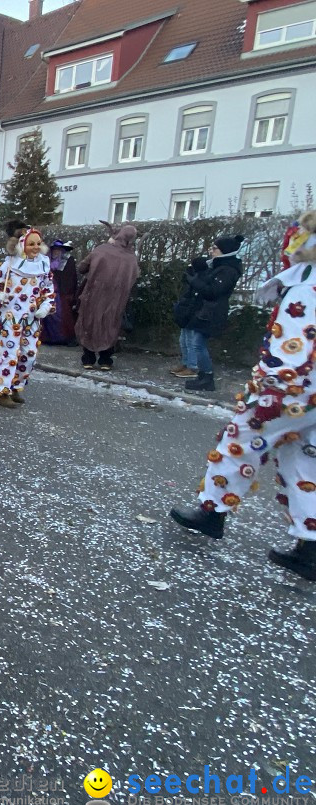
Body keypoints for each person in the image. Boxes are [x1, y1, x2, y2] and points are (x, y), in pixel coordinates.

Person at [169, 213, 316, 581]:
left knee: (240, 438)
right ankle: (311, 543)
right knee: (302, 456)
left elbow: (295, 343)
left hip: (292, 385)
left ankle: (212, 511)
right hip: (305, 389)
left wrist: (269, 390)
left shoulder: (307, 287)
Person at [0, 228, 54, 408]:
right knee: (8, 355)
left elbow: (48, 290)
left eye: (38, 243)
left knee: (28, 356)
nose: (36, 247)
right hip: (10, 317)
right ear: (22, 245)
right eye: (31, 244)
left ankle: (17, 385)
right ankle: (2, 391)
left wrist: (46, 306)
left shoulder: (44, 266)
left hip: (31, 319)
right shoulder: (8, 265)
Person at [172, 234, 244, 392]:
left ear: (224, 251)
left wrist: (194, 281)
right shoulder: (218, 266)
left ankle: (207, 377)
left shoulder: (228, 270)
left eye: (215, 248)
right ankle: (203, 376)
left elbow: (213, 291)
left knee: (198, 344)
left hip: (212, 312)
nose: (211, 251)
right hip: (205, 309)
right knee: (195, 342)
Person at [75, 224, 140, 369]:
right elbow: (135, 276)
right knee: (110, 324)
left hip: (94, 294)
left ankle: (88, 359)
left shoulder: (101, 250)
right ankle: (105, 360)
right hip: (116, 299)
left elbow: (82, 268)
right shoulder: (131, 258)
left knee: (90, 322)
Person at [41, 240, 78, 346]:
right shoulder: (47, 262)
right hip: (48, 291)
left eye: (58, 250)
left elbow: (71, 278)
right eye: (54, 250)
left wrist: (69, 293)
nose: (56, 253)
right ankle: (49, 338)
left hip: (62, 293)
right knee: (48, 315)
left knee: (62, 316)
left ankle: (64, 338)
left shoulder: (67, 262)